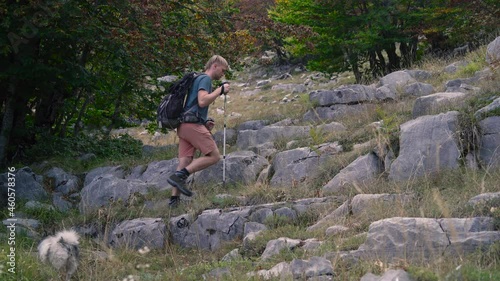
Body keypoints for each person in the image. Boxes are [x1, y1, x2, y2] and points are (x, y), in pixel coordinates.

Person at [167, 55, 230, 207]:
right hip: (191, 125)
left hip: (183, 125)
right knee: (214, 156)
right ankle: (181, 176)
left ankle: (173, 202)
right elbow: (202, 101)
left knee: (185, 161)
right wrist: (220, 90)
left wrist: (204, 121)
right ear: (215, 66)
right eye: (223, 70)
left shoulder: (197, 79)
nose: (223, 74)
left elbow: (195, 103)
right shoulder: (205, 79)